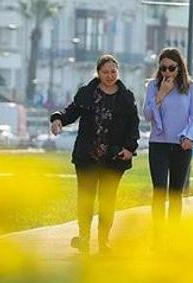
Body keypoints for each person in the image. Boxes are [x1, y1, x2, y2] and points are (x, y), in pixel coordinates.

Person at [50, 55, 139, 254]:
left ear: (118, 73)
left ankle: (103, 241)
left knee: (107, 200)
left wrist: (129, 147)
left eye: (113, 72)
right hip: (87, 156)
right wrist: (58, 120)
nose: (109, 76)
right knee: (86, 198)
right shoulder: (87, 93)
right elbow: (71, 111)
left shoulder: (126, 97)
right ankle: (83, 237)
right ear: (98, 73)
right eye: (105, 72)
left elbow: (134, 125)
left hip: (114, 158)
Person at [142, 48, 193, 243]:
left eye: (171, 68)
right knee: (159, 192)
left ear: (179, 67)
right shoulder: (152, 86)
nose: (167, 72)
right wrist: (161, 94)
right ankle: (158, 238)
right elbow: (147, 115)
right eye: (163, 68)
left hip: (181, 145)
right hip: (158, 144)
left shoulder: (190, 87)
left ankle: (173, 238)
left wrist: (189, 137)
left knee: (176, 194)